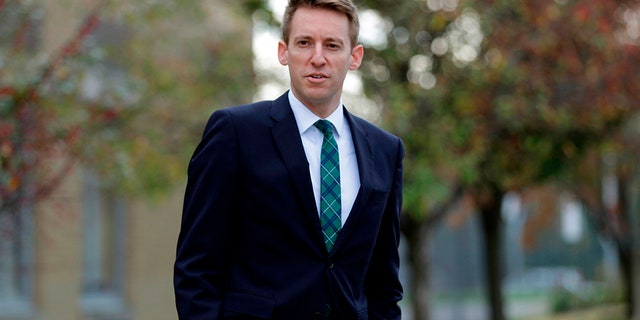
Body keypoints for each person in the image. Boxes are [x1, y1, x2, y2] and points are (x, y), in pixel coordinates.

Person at [173, 0, 404, 319]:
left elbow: (384, 284)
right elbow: (196, 268)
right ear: (283, 52)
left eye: (332, 45)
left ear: (355, 57)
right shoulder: (235, 133)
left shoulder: (385, 150)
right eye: (304, 43)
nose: (317, 58)